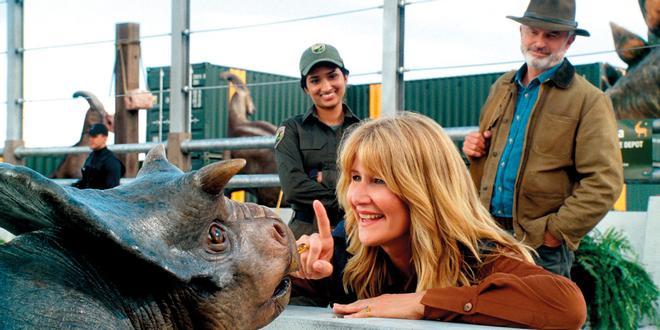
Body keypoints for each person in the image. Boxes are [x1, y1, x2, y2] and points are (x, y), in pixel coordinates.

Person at [292, 112, 587, 328]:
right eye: (356, 177)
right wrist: (294, 264)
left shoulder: (477, 256)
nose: (357, 196)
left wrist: (421, 303)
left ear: (425, 189)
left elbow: (568, 306)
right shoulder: (348, 251)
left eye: (379, 180)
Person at [462, 0, 623, 277]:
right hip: (484, 235)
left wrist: (554, 233)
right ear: (521, 33)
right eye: (533, 32)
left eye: (552, 35)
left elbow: (604, 182)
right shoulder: (501, 87)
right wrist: (473, 149)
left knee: (541, 319)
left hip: (541, 248)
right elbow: (490, 154)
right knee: (479, 318)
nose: (539, 42)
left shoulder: (589, 100)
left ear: (569, 41)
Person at [275, 43, 360, 238]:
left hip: (356, 231)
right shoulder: (291, 129)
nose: (326, 87)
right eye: (315, 80)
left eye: (332, 76)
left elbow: (377, 181)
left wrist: (325, 177)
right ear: (306, 88)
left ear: (345, 78)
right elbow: (294, 188)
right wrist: (348, 190)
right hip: (306, 232)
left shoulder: (362, 130)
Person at [73, 123, 125, 189]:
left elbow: (112, 193)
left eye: (95, 136)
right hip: (88, 197)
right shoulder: (91, 157)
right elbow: (85, 183)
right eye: (90, 136)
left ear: (104, 138)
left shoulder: (111, 162)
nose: (91, 139)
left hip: (100, 198)